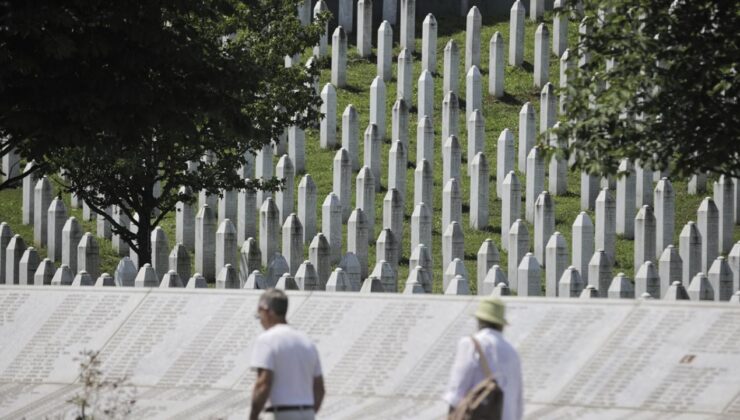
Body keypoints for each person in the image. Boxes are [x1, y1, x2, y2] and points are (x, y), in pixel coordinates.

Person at [250, 289, 325, 420]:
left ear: (266, 311)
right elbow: (319, 388)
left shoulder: (267, 340)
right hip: (307, 413)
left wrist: (253, 415)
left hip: (280, 413)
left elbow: (263, 384)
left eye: (259, 315)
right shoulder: (307, 342)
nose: (260, 321)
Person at [443, 297, 523, 420]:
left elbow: (456, 393)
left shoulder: (470, 344)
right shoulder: (513, 353)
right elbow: (518, 403)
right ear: (501, 325)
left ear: (479, 321)